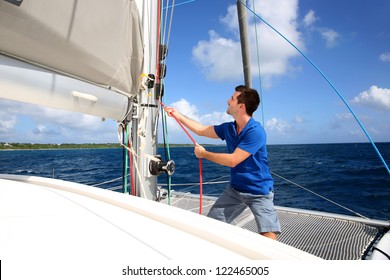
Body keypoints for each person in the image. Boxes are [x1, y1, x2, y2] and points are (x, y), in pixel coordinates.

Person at [164, 85, 281, 240]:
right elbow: (201, 130)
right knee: (212, 225)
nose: (227, 101)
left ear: (241, 106)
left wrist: (204, 154)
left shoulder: (256, 131)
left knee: (268, 233)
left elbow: (233, 160)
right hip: (236, 189)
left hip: (259, 191)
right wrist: (178, 115)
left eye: (232, 99)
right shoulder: (229, 128)